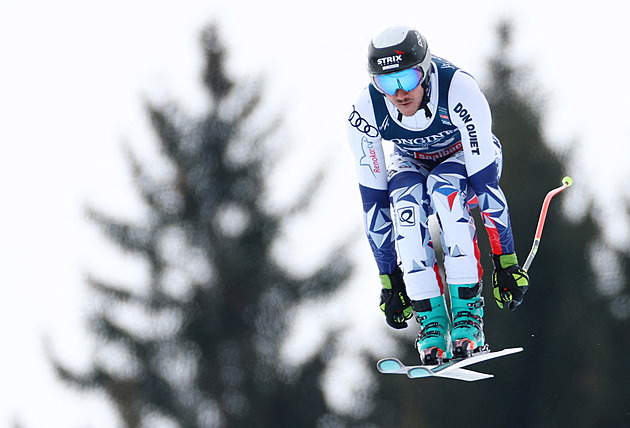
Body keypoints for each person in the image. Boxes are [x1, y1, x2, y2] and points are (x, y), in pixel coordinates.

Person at [346, 25, 529, 365]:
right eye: (387, 83)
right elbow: (373, 207)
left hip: (467, 158)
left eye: (408, 78)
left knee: (444, 189)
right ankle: (430, 321)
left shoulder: (459, 89)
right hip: (411, 160)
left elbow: (487, 188)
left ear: (426, 70)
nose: (400, 93)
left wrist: (506, 262)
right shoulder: (365, 112)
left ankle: (467, 315)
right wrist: (390, 280)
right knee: (403, 203)